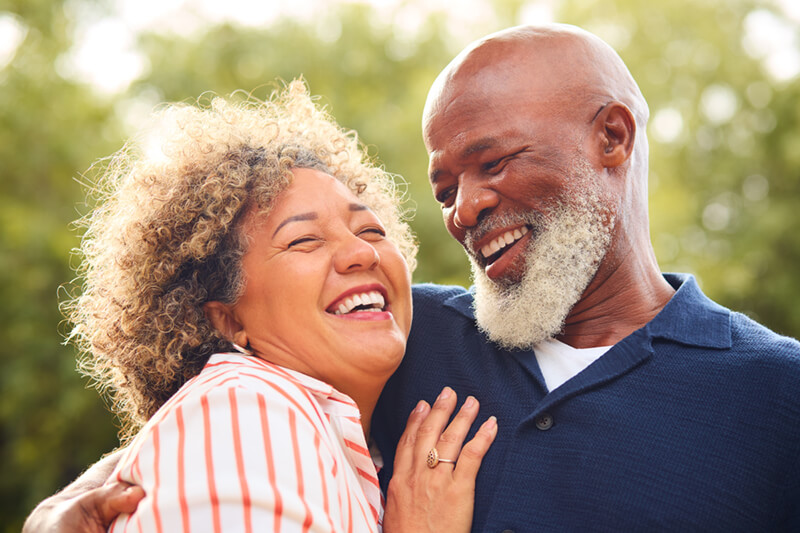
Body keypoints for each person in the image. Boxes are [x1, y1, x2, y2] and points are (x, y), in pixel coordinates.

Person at [26, 23, 800, 532]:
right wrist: (62, 509)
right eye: (442, 189)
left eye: (493, 162)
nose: (464, 209)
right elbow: (226, 416)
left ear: (612, 138)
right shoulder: (396, 337)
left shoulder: (775, 397)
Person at [25, 80, 496, 533]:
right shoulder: (245, 407)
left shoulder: (335, 438)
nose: (363, 252)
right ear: (228, 319)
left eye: (371, 231)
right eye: (304, 240)